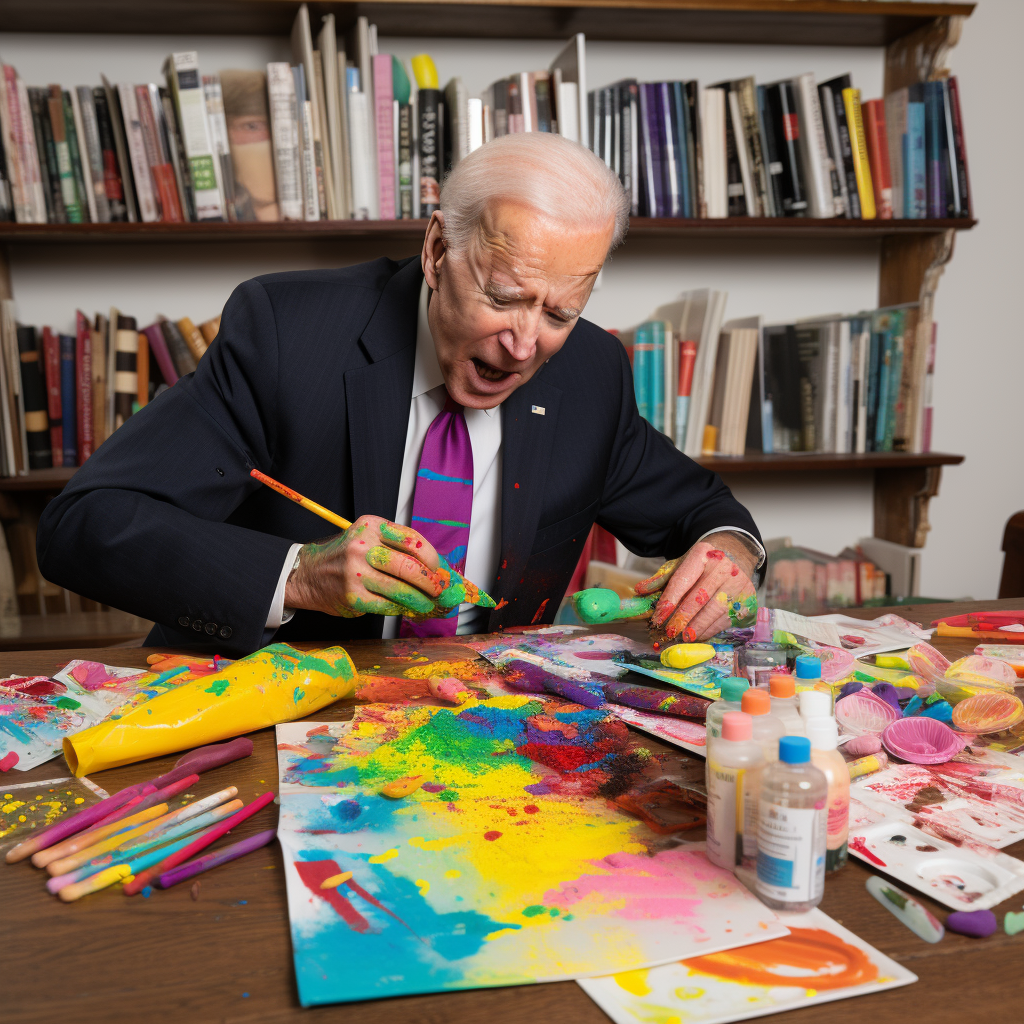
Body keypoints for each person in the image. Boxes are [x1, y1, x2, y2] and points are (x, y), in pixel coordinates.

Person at [36, 132, 763, 656]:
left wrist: (724, 562)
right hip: (280, 716)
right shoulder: (288, 334)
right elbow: (84, 525)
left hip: (482, 730)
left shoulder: (591, 370)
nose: (524, 343)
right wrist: (300, 576)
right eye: (504, 298)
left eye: (559, 313)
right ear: (438, 250)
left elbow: (707, 515)